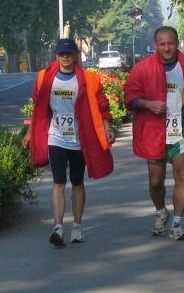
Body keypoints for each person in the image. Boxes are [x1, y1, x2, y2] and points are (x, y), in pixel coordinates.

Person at [21, 38, 116, 247]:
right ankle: (58, 228)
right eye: (61, 53)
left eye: (69, 53)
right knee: (58, 182)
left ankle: (77, 227)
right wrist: (30, 133)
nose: (65, 57)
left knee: (77, 182)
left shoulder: (89, 79)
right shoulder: (45, 78)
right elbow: (38, 108)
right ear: (56, 55)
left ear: (75, 56)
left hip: (80, 138)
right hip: (56, 136)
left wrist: (107, 128)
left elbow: (102, 107)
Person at [124, 26, 184, 241]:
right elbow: (130, 97)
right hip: (153, 133)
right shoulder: (142, 69)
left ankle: (178, 223)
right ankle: (161, 211)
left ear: (177, 43)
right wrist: (147, 104)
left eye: (170, 43)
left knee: (182, 175)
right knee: (156, 182)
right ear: (155, 45)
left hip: (181, 129)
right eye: (162, 44)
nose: (166, 48)